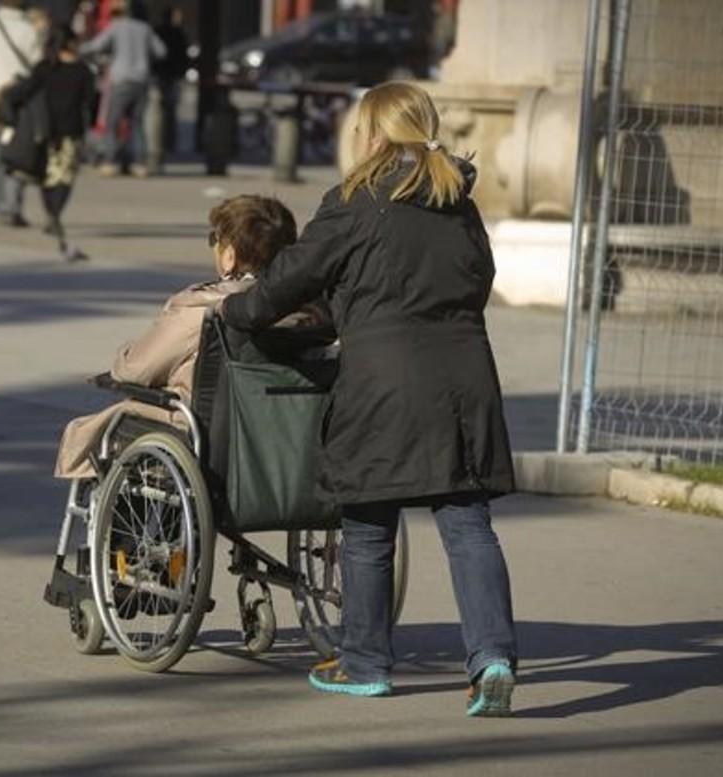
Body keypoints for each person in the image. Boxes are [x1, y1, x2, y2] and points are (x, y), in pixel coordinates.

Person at [221, 82, 519, 717]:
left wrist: (240, 309)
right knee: (468, 526)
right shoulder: (457, 202)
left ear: (376, 135)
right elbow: (480, 280)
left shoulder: (358, 200)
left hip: (383, 382)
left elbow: (292, 276)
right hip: (466, 378)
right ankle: (492, 658)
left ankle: (364, 664)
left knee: (366, 527)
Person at [54, 195, 301, 479]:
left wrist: (123, 357)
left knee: (108, 434)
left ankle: (120, 520)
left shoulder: (205, 307)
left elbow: (135, 369)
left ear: (230, 254)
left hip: (211, 444)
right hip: (285, 442)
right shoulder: (306, 311)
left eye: (215, 240)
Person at [1, 25, 96, 261]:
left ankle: (51, 214)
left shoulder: (45, 67)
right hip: (70, 131)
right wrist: (90, 126)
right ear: (72, 43)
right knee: (63, 177)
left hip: (43, 131)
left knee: (46, 175)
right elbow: (90, 103)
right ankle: (54, 214)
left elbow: (24, 90)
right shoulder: (83, 71)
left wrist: (9, 103)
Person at [0, 0, 42, 227]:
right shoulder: (29, 30)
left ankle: (1, 205)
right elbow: (38, 63)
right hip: (19, 101)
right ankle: (13, 206)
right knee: (18, 153)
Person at [80, 0, 165, 178]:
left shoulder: (116, 27)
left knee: (112, 122)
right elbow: (161, 51)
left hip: (121, 79)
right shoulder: (145, 28)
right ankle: (139, 163)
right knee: (137, 123)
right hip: (141, 79)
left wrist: (78, 49)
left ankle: (110, 161)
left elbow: (95, 46)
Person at [153, 6, 189, 155]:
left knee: (158, 110)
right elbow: (184, 55)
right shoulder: (177, 33)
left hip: (161, 74)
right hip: (172, 75)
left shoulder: (158, 32)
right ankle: (169, 142)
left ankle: (160, 142)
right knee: (170, 110)